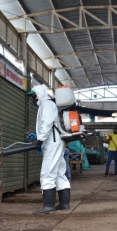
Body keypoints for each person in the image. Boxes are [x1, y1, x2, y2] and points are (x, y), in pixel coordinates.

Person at [27, 85, 71, 214]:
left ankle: (48, 206)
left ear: (40, 94)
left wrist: (40, 140)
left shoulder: (46, 104)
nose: (33, 100)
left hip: (52, 142)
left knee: (47, 172)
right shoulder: (50, 104)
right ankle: (64, 204)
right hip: (56, 141)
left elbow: (47, 123)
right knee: (59, 173)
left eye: (34, 96)